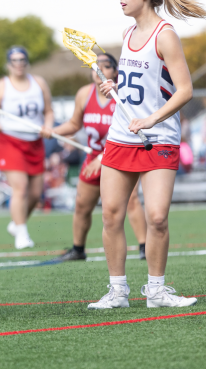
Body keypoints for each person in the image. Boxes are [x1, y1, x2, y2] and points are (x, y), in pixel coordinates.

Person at [89, 0, 206, 310]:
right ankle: (117, 291)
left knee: (156, 217)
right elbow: (138, 84)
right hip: (121, 136)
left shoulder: (165, 34)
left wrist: (152, 119)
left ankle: (156, 291)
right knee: (111, 215)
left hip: (158, 138)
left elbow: (184, 91)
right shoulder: (127, 33)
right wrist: (113, 88)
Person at [50, 53, 147, 262]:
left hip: (122, 154)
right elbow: (74, 124)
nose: (99, 70)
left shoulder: (123, 94)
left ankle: (144, 247)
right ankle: (78, 249)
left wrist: (103, 157)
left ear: (115, 71)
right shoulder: (84, 94)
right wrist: (53, 131)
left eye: (105, 66)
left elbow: (130, 129)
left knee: (131, 200)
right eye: (96, 66)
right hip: (93, 158)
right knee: (82, 204)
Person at [0, 47, 54, 249]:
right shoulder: (1, 87)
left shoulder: (39, 83)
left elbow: (48, 111)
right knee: (21, 188)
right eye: (14, 60)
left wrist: (48, 126)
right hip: (10, 141)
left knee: (35, 193)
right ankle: (22, 234)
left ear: (27, 62)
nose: (18, 64)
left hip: (34, 142)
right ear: (8, 63)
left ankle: (17, 223)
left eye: (22, 60)